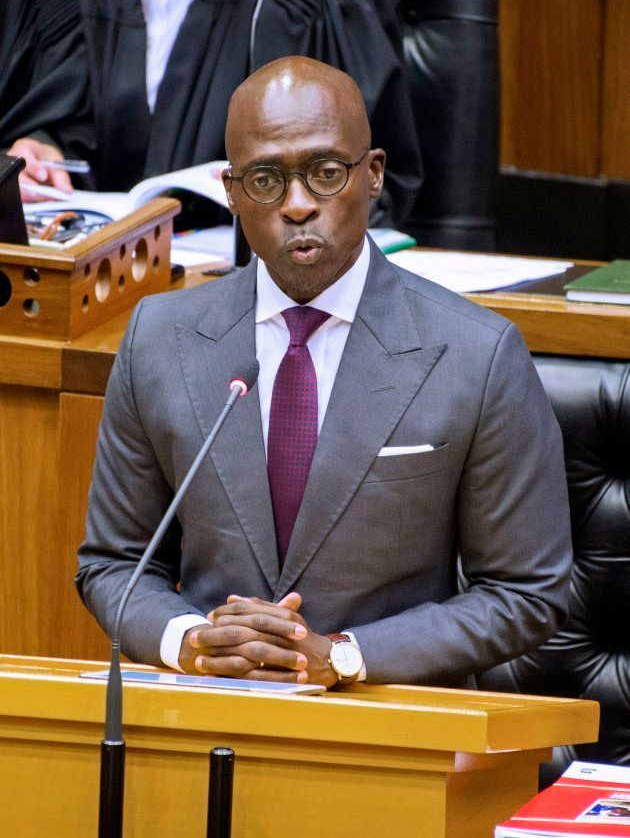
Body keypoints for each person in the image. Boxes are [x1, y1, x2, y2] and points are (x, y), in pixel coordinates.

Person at [76, 56, 571, 689]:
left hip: (392, 724)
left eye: (326, 172)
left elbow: (527, 591)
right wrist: (189, 642)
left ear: (373, 174)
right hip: (210, 717)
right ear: (230, 192)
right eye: (265, 180)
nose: (298, 204)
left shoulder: (475, 354)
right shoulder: (159, 340)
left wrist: (343, 655)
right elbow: (114, 563)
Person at [0, 0, 421, 229]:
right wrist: (38, 149)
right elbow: (35, 111)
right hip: (84, 269)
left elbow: (372, 182)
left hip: (250, 286)